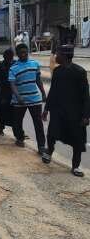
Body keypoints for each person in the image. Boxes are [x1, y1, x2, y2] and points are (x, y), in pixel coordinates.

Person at [42, 45, 90, 177]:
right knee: (52, 133)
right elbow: (53, 91)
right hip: (58, 111)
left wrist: (86, 115)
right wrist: (46, 108)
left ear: (64, 56)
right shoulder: (57, 71)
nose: (55, 57)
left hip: (75, 113)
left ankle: (75, 166)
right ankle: (49, 152)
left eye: (57, 54)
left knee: (77, 140)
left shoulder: (79, 72)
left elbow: (86, 95)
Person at [9, 43, 47, 152]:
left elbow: (38, 80)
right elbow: (12, 85)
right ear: (17, 54)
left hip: (35, 99)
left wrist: (43, 93)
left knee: (38, 123)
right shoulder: (13, 68)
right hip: (19, 101)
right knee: (17, 122)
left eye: (25, 52)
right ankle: (20, 138)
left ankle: (41, 146)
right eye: (21, 53)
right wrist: (18, 96)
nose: (24, 54)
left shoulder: (35, 64)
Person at [0, 49, 15, 136]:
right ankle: (0, 129)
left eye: (11, 57)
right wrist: (3, 96)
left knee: (14, 114)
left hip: (13, 93)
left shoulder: (15, 65)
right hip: (2, 94)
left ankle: (17, 130)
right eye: (8, 57)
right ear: (4, 57)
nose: (10, 59)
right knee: (1, 112)